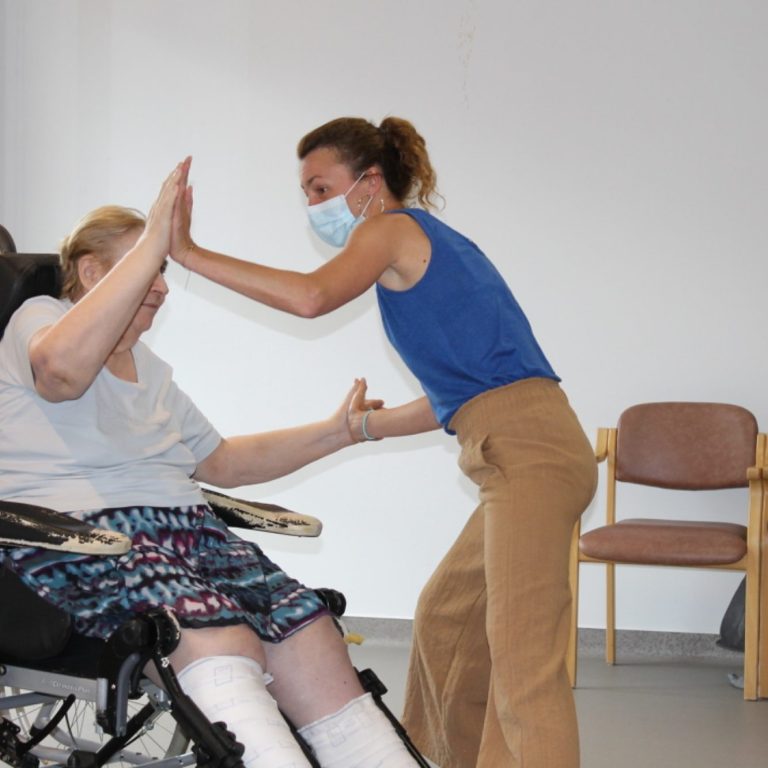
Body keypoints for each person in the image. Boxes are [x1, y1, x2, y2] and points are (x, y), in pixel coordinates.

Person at [168, 118, 598, 768]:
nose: (313, 206)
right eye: (306, 193)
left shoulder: (389, 229)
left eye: (320, 188)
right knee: (448, 617)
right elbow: (459, 398)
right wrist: (361, 426)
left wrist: (188, 252)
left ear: (369, 183)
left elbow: (312, 297)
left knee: (522, 661)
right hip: (519, 445)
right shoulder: (429, 242)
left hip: (528, 452)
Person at [0, 161, 424, 768]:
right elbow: (62, 375)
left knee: (307, 628)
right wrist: (153, 239)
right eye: (148, 267)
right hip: (85, 538)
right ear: (91, 273)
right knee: (220, 637)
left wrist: (340, 432)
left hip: (187, 533)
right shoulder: (40, 319)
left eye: (162, 268)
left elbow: (221, 462)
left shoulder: (151, 370)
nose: (163, 286)